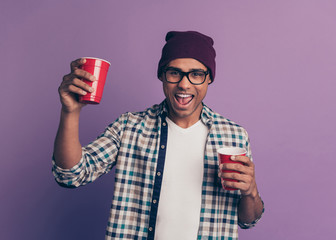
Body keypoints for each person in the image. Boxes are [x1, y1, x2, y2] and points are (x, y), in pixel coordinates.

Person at [53, 31, 264, 240]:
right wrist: (70, 112)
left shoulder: (233, 136)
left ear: (208, 78)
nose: (184, 84)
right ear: (162, 75)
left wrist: (250, 192)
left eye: (196, 74)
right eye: (174, 72)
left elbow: (248, 220)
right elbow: (71, 175)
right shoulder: (130, 128)